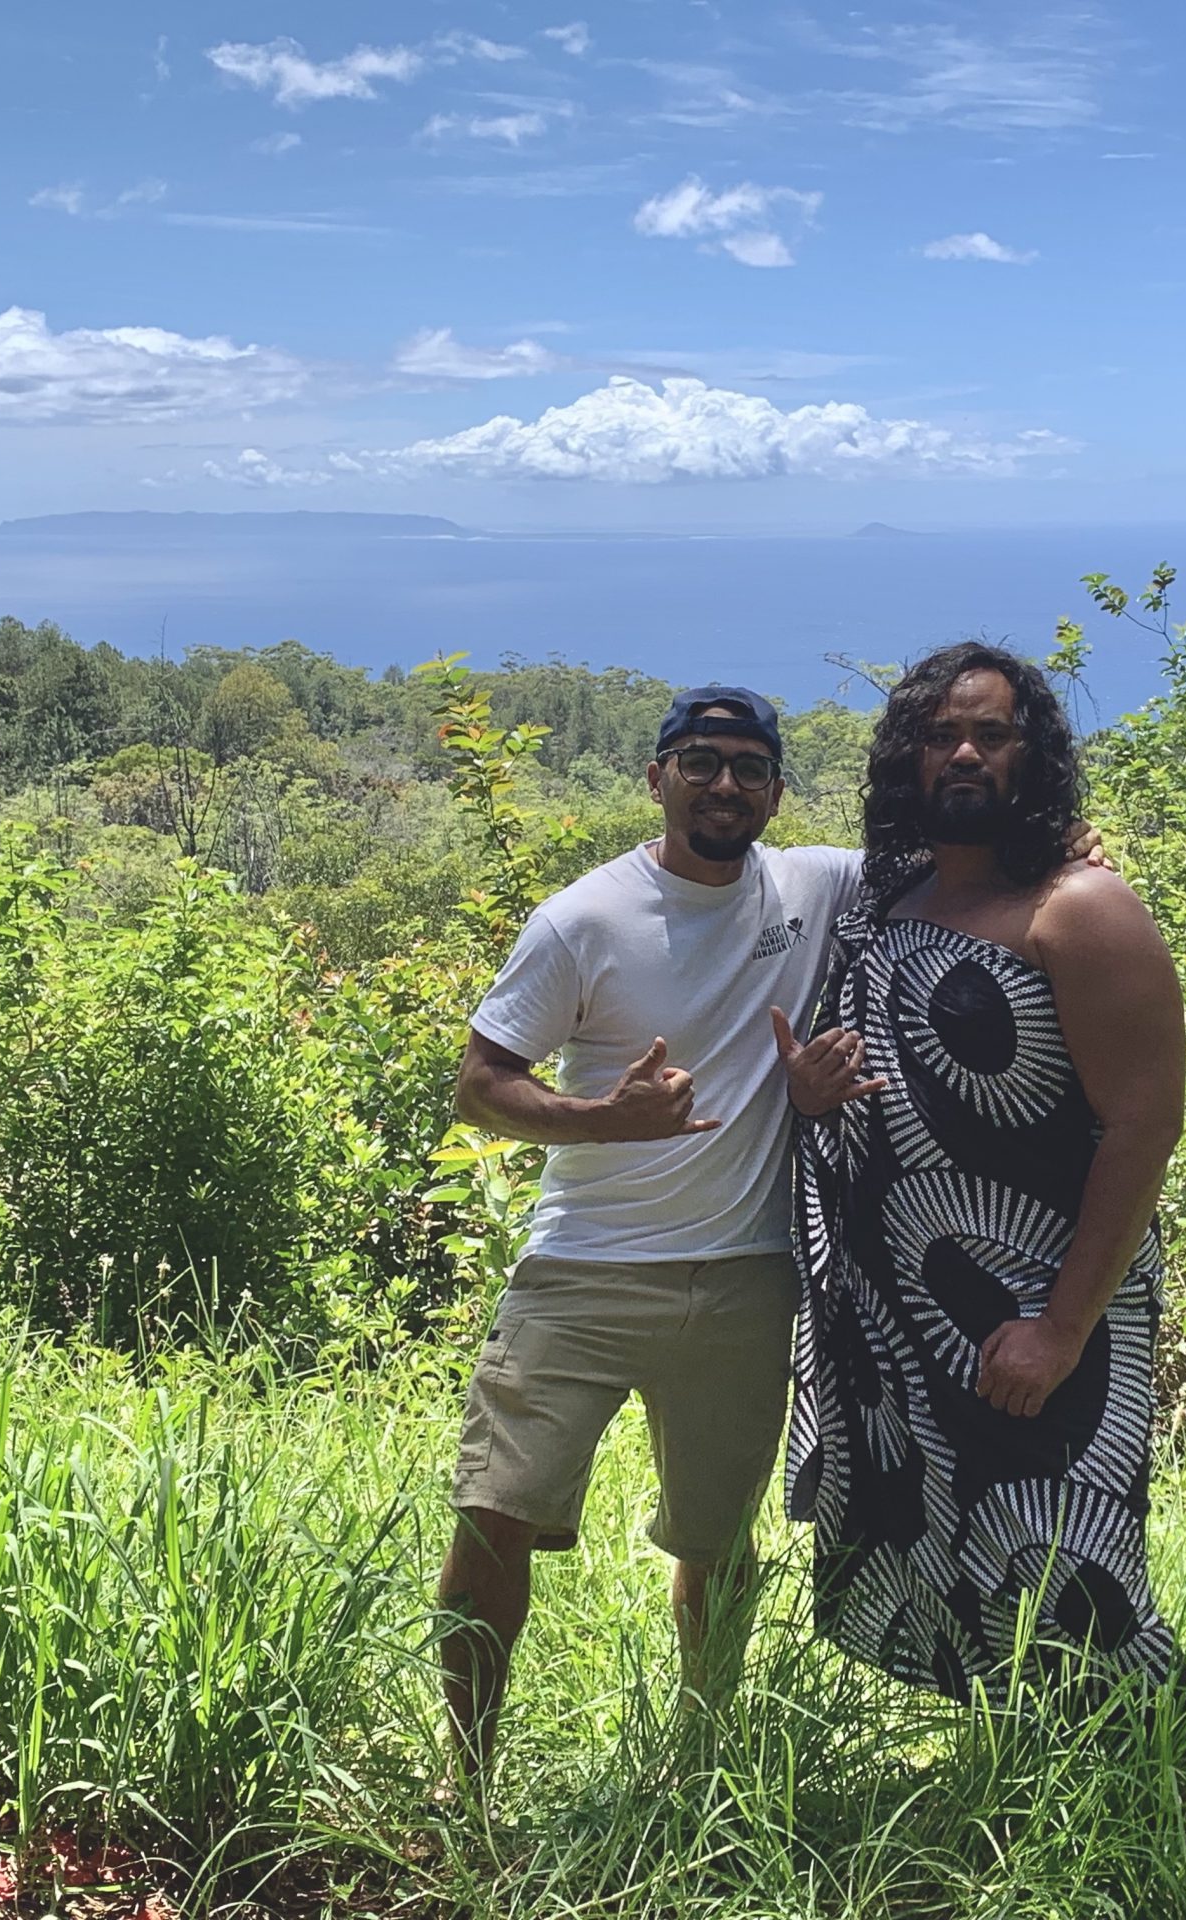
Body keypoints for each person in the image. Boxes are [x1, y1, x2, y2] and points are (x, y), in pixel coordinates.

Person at [779, 641, 1186, 1790]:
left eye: (992, 734)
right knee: (976, 1562)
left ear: (1035, 755)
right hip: (908, 1319)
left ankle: (1166, 1844)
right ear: (907, 755)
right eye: (940, 733)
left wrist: (1062, 1326)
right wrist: (810, 1093)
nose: (963, 752)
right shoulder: (892, 889)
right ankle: (1038, 1799)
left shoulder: (1080, 908)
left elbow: (1141, 1128)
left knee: (1077, 1572)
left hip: (1033, 1308)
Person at [435, 685, 858, 1783]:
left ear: (775, 788)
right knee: (494, 1517)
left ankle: (705, 1757)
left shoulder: (815, 885)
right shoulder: (585, 918)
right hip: (582, 1270)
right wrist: (601, 1121)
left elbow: (957, 868)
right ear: (656, 776)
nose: (725, 784)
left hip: (745, 1276)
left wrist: (1072, 849)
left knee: (715, 1542)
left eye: (749, 767)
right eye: (701, 762)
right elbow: (481, 1085)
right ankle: (465, 1775)